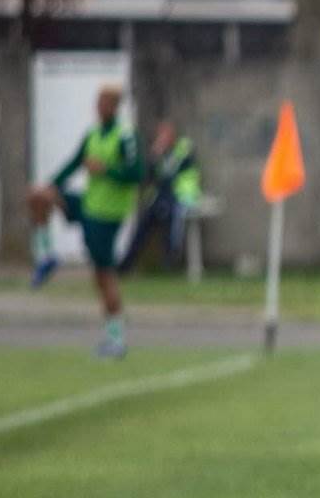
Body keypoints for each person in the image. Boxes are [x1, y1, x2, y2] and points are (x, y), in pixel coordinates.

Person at [26, 84, 144, 358]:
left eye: (104, 102)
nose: (98, 107)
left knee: (103, 276)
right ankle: (46, 256)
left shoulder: (126, 136)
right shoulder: (92, 134)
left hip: (107, 215)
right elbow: (75, 163)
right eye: (97, 102)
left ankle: (116, 340)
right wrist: (51, 184)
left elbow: (137, 173)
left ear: (115, 106)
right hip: (88, 205)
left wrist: (107, 170)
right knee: (38, 197)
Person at [118, 119, 202, 274]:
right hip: (161, 197)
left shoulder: (183, 148)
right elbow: (149, 176)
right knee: (143, 223)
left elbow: (173, 174)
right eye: (161, 136)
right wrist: (154, 156)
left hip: (181, 196)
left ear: (173, 136)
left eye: (166, 135)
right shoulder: (158, 153)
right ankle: (126, 264)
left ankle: (170, 263)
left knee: (172, 220)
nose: (163, 139)